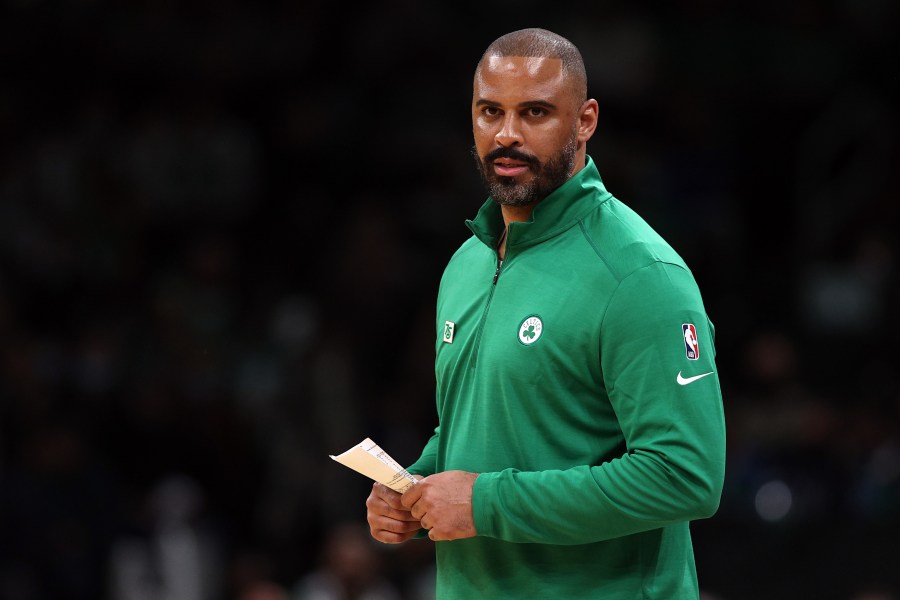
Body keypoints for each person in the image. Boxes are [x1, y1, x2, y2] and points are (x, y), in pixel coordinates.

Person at [365, 27, 726, 599]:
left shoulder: (639, 274)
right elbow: (490, 427)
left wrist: (484, 503)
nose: (506, 134)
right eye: (490, 112)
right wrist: (415, 489)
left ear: (585, 121)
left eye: (534, 112)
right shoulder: (468, 262)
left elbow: (685, 478)